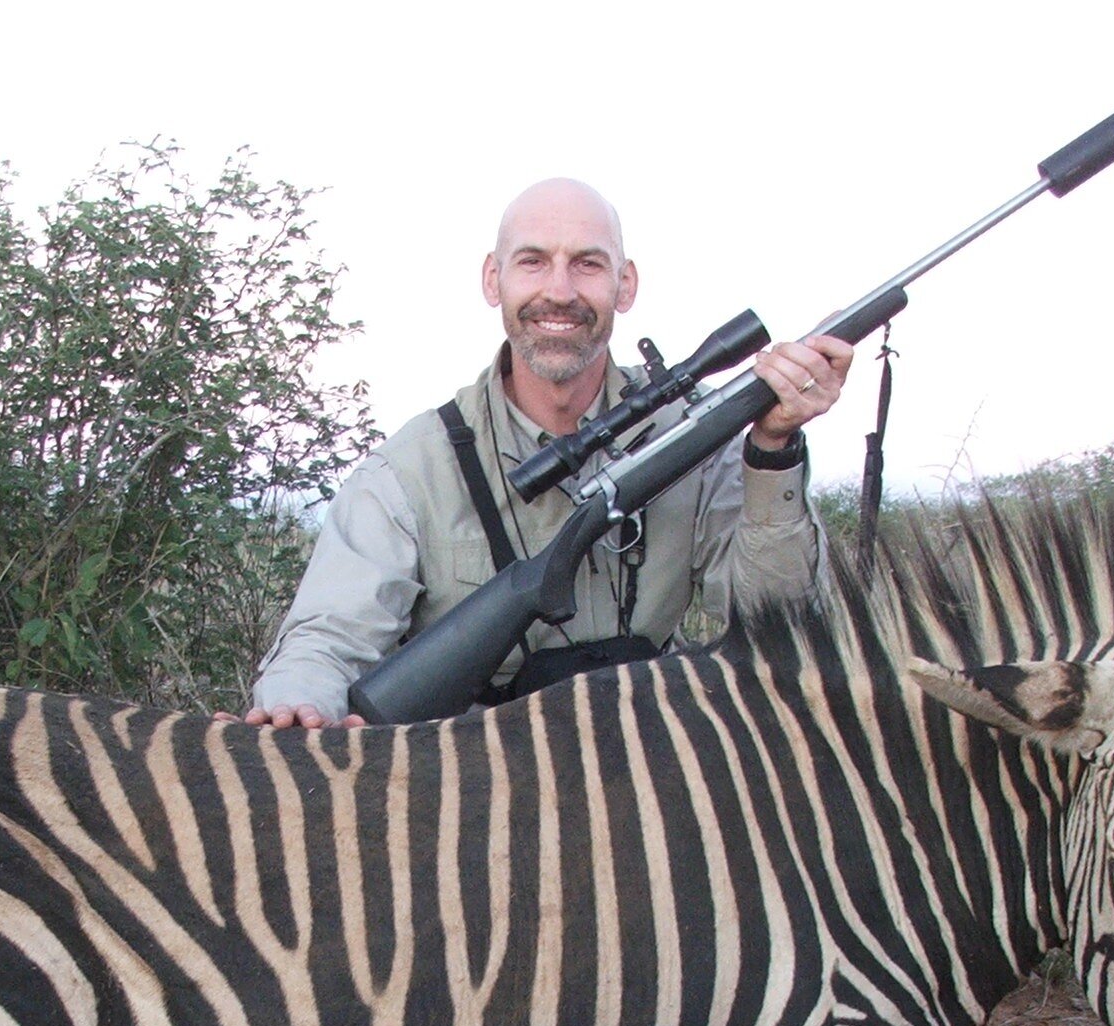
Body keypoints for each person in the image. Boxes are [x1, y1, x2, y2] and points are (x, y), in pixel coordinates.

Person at [239, 178, 853, 728]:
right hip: (470, 783)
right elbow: (325, 638)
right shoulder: (409, 471)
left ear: (626, 283)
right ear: (492, 278)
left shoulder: (693, 436)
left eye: (587, 264)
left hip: (654, 768)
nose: (559, 290)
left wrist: (772, 447)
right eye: (533, 262)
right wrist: (297, 707)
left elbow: (785, 619)